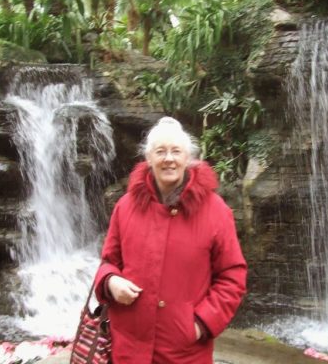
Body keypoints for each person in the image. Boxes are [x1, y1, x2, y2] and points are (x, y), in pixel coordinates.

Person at [94, 116, 247, 364]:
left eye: (176, 151)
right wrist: (111, 282)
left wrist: (200, 324)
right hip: (128, 349)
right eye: (161, 151)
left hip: (184, 352)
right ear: (148, 158)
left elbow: (232, 276)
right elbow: (108, 262)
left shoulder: (215, 211)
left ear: (188, 158)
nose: (169, 158)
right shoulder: (126, 207)